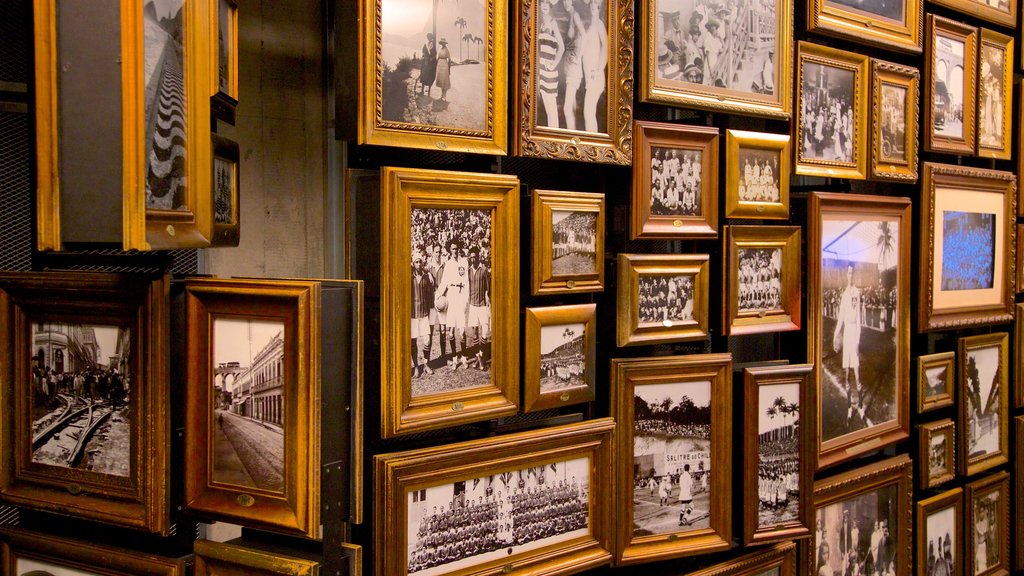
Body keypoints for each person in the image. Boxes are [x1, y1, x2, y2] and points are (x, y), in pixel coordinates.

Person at [833, 264, 863, 413]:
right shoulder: (844, 295)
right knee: (846, 373)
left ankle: (861, 403)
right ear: (846, 274)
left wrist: (857, 341)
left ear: (854, 274)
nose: (850, 275)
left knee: (857, 372)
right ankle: (848, 406)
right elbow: (840, 319)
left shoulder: (856, 293)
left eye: (852, 272)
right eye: (848, 272)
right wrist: (834, 337)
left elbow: (858, 319)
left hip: (854, 332)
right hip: (846, 333)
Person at [579, 0, 607, 132]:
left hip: (595, 76)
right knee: (588, 113)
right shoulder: (589, 25)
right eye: (591, 8)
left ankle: (592, 144)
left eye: (595, 8)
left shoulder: (599, 25)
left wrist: (598, 69)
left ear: (599, 9)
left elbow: (605, 49)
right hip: (589, 76)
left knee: (588, 112)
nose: (592, 10)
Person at [536, 0, 565, 127]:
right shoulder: (541, 24)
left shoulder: (553, 23)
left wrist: (553, 64)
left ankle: (555, 139)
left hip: (549, 71)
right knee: (547, 108)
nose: (545, 6)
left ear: (550, 6)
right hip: (541, 70)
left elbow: (562, 47)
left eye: (547, 3)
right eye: (542, 3)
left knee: (552, 109)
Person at [561, 0, 584, 130]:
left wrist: (579, 56)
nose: (566, 2)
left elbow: (584, 36)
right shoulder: (570, 16)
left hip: (573, 68)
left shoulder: (575, 15)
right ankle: (574, 134)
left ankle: (572, 140)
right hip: (568, 66)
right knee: (572, 107)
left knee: (567, 108)